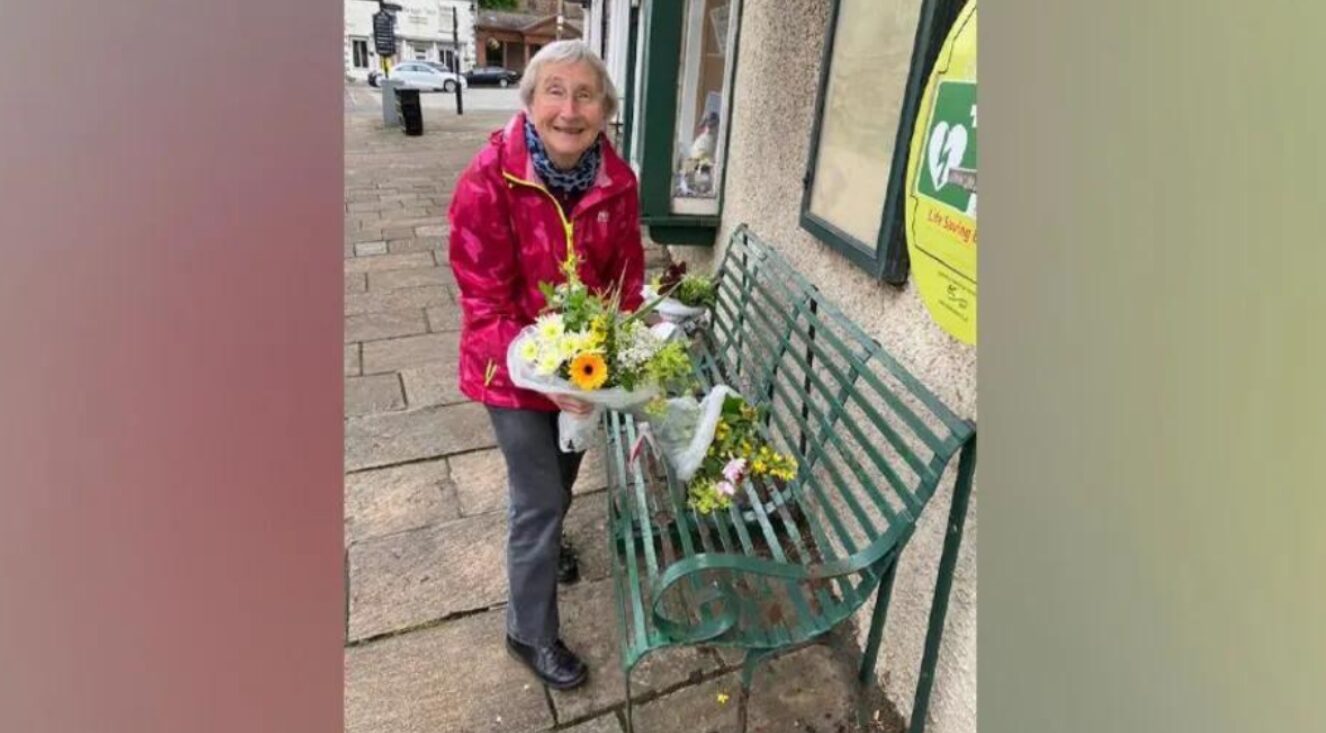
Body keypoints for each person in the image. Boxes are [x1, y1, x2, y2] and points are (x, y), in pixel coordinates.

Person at [447, 40, 644, 691]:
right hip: (509, 373)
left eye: (586, 94)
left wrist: (617, 357)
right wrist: (551, 374)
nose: (570, 108)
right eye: (554, 91)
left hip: (582, 377)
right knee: (535, 500)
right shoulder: (487, 178)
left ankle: (551, 540)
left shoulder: (619, 183)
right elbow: (483, 299)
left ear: (605, 110)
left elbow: (627, 279)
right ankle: (528, 630)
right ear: (530, 103)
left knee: (558, 483)